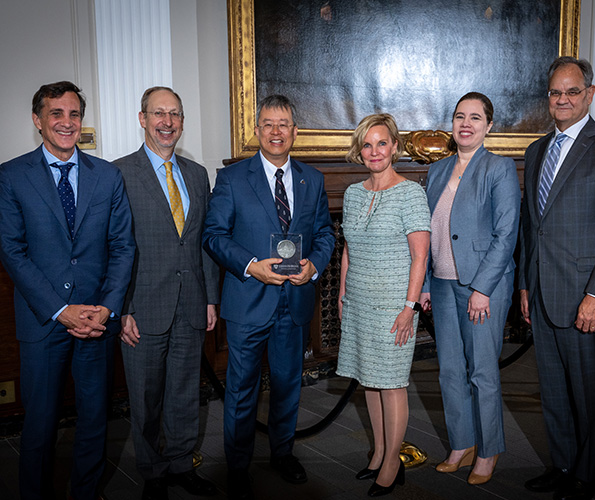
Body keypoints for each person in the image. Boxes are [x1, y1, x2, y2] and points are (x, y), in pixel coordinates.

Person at [0, 81, 135, 500]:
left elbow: (123, 246)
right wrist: (61, 309)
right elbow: (11, 249)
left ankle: (87, 492)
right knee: (40, 425)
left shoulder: (108, 175)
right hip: (44, 322)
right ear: (38, 120)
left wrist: (108, 309)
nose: (66, 122)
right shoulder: (11, 175)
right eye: (56, 114)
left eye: (74, 114)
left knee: (95, 420)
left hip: (96, 321)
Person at [202, 94, 335, 499]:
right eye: (268, 124)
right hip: (248, 300)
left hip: (294, 303)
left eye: (284, 125)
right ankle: (238, 466)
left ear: (295, 132)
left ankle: (282, 453)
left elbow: (326, 233)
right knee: (241, 389)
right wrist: (250, 265)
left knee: (287, 384)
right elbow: (213, 236)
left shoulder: (312, 180)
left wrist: (314, 263)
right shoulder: (232, 179)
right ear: (256, 130)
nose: (276, 132)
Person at [519, 57, 595, 500]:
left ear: (589, 94)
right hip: (545, 293)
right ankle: (564, 463)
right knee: (552, 390)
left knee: (587, 394)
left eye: (572, 91)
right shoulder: (536, 151)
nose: (563, 99)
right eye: (555, 93)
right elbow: (533, 227)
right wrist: (526, 285)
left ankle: (590, 474)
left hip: (586, 295)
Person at [115, 87, 220, 500]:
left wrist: (211, 297)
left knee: (183, 393)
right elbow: (114, 247)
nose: (167, 121)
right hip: (142, 309)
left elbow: (202, 243)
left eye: (174, 114)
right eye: (158, 113)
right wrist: (120, 309)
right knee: (145, 397)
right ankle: (152, 471)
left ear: (181, 121)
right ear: (142, 118)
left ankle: (180, 463)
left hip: (192, 303)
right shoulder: (118, 173)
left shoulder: (196, 175)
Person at [419, 92, 521, 486]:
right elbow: (428, 232)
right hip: (442, 286)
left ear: (488, 126)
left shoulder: (498, 168)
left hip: (484, 288)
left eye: (475, 117)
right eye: (460, 116)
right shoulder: (438, 170)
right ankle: (461, 445)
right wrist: (426, 282)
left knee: (482, 372)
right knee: (449, 371)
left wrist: (482, 288)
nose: (466, 123)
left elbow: (506, 233)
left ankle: (489, 449)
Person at [337, 113, 430, 497]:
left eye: (382, 143)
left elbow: (420, 257)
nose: (374, 151)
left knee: (391, 383)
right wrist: (343, 296)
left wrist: (410, 307)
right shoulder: (353, 193)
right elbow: (348, 249)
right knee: (369, 381)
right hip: (359, 300)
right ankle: (378, 452)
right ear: (360, 151)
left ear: (394, 146)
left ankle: (393, 460)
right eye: (367, 144)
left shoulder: (411, 193)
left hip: (394, 305)